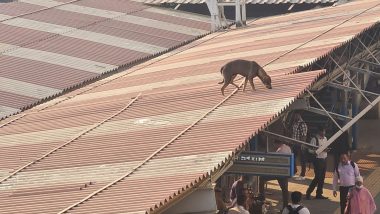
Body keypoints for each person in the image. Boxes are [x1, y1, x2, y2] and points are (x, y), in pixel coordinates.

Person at [259, 140, 291, 209]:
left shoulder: (280, 151)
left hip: (278, 172)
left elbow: (275, 163)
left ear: (278, 143)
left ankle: (262, 199)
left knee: (261, 178)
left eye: (275, 145)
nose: (274, 146)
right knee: (285, 189)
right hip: (286, 171)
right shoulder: (288, 147)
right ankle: (285, 207)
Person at [306, 126, 329, 200]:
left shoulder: (325, 138)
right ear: (319, 132)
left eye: (324, 131)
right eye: (322, 131)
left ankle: (319, 193)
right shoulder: (314, 139)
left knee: (322, 178)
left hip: (324, 159)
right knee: (317, 177)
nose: (324, 133)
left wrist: (326, 150)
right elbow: (309, 150)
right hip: (318, 160)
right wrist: (317, 151)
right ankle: (308, 192)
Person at [291, 113, 308, 180]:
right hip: (294, 143)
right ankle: (294, 171)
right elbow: (293, 133)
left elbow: (304, 136)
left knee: (302, 160)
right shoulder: (295, 123)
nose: (294, 116)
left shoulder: (302, 124)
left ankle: (302, 174)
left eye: (295, 115)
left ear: (299, 115)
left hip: (300, 144)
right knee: (293, 158)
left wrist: (302, 144)